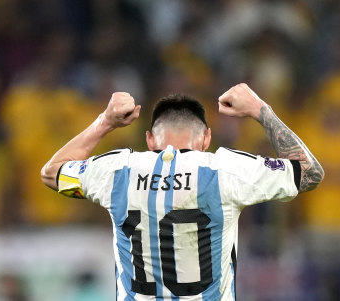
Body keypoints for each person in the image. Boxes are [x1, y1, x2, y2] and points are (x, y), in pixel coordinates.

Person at [41, 83, 324, 300]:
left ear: (150, 140)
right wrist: (261, 110)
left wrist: (105, 122)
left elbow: (52, 173)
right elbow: (310, 173)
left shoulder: (119, 170)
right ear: (206, 138)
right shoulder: (224, 170)